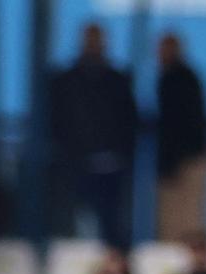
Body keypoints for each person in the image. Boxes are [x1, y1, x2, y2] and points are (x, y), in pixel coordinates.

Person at [49, 24, 137, 250]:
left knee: (112, 227)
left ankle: (114, 272)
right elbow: (56, 121)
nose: (94, 44)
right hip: (73, 165)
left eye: (98, 39)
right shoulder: (65, 81)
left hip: (112, 167)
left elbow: (130, 121)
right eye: (89, 39)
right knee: (69, 226)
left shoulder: (118, 79)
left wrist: (121, 155)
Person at [154, 32, 206, 242]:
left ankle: (187, 263)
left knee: (186, 218)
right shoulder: (172, 78)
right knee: (171, 219)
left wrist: (174, 161)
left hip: (186, 159)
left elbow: (182, 122)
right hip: (179, 159)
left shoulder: (181, 80)